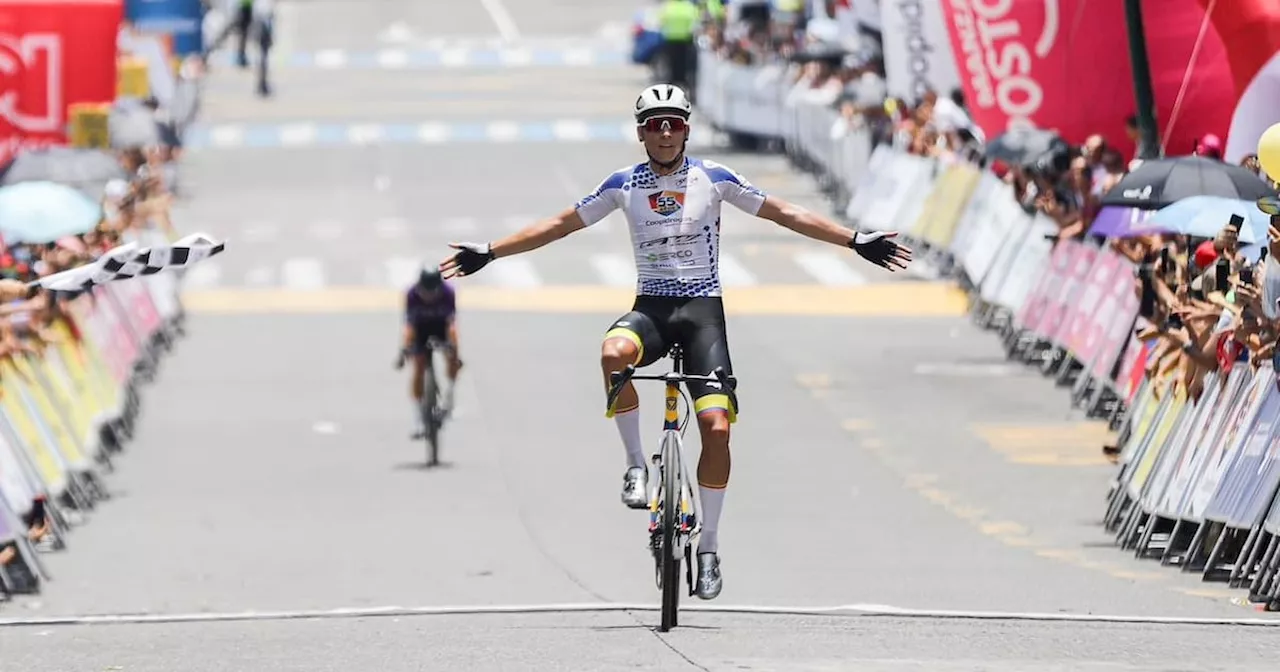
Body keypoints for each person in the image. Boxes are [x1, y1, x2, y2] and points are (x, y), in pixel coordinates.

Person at [438, 83, 911, 600]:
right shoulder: (624, 183)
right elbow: (559, 224)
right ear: (640, 133)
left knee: (715, 427)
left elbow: (785, 213)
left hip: (703, 314)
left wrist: (853, 239)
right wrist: (490, 251)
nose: (665, 133)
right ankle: (637, 466)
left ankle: (708, 545)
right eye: (654, 124)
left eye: (675, 123)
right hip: (652, 311)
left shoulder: (715, 178)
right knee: (612, 353)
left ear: (687, 128)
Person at [395, 265, 463, 438]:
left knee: (453, 351)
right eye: (426, 292)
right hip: (421, 328)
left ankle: (450, 396)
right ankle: (418, 418)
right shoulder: (411, 294)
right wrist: (405, 350)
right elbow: (409, 326)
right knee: (418, 367)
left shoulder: (448, 292)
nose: (429, 296)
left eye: (433, 293)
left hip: (441, 326)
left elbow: (452, 324)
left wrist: (454, 351)